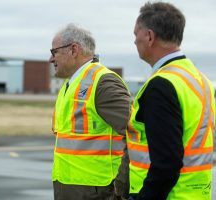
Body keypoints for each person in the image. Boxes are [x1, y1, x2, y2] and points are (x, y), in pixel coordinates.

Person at [127, 2, 215, 200]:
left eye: (136, 34)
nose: (134, 41)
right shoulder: (201, 80)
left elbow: (166, 164)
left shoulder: (161, 85)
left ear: (149, 36)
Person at [50, 23, 131, 200]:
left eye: (54, 52)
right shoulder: (71, 84)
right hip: (71, 188)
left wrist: (122, 184)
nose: (51, 59)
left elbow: (138, 133)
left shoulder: (102, 83)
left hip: (98, 191)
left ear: (73, 50)